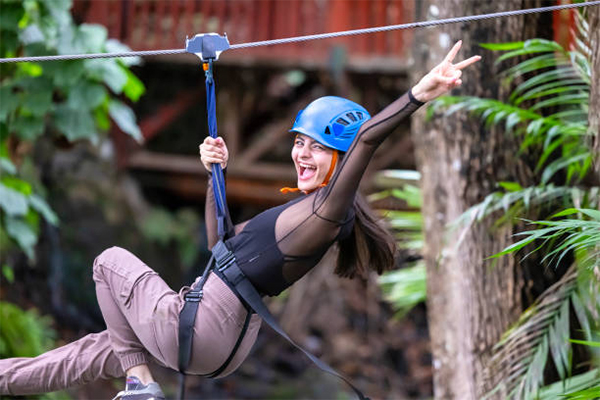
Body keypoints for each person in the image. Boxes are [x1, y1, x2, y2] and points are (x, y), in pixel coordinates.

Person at [0, 41, 480, 399]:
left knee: (108, 261)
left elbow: (368, 139)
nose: (302, 154)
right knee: (88, 354)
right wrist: (216, 174)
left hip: (200, 326)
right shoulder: (299, 215)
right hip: (215, 343)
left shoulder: (324, 214)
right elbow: (219, 247)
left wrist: (419, 93)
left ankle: (140, 384)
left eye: (317, 147)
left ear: (342, 159)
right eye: (299, 142)